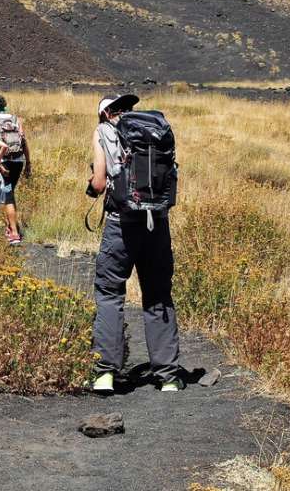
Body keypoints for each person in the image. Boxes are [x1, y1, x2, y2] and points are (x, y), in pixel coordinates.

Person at [86, 94, 182, 394]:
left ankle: (105, 374)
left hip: (121, 225)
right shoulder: (155, 131)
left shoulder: (103, 131)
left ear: (104, 114)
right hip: (157, 222)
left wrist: (91, 189)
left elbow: (100, 182)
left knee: (110, 293)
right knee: (157, 294)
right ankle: (168, 376)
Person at [0, 94, 31, 245]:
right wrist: (28, 162)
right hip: (19, 161)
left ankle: (14, 233)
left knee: (8, 195)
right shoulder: (16, 119)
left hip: (4, 162)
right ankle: (10, 226)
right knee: (9, 193)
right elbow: (23, 141)